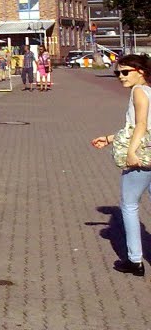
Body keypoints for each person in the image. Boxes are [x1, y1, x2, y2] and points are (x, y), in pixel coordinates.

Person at [90, 53, 151, 276]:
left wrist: (132, 152)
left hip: (142, 160)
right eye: (118, 72)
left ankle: (135, 261)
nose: (120, 76)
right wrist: (109, 138)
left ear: (140, 72)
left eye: (126, 72)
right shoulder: (150, 92)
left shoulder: (138, 92)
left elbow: (141, 125)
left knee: (129, 206)